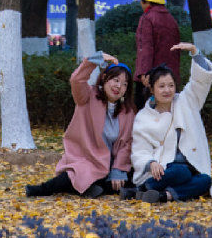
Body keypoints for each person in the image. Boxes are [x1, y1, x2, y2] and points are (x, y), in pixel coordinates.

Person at [25, 53, 135, 198]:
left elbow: (126, 145)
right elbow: (77, 80)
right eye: (116, 80)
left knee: (132, 177)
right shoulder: (88, 96)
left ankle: (90, 188)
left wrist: (118, 169)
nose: (119, 86)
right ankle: (41, 189)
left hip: (110, 164)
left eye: (125, 84)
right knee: (74, 175)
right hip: (86, 159)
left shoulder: (128, 112)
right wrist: (95, 59)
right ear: (104, 78)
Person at [129, 41, 212, 203]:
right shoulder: (143, 116)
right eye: (161, 86)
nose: (167, 90)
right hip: (162, 170)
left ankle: (163, 195)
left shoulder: (186, 101)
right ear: (152, 89)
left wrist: (195, 52)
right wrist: (151, 163)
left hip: (189, 166)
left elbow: (200, 82)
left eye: (171, 85)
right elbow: (139, 150)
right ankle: (145, 186)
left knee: (205, 180)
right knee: (180, 172)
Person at [134, 0, 181, 109]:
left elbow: (146, 48)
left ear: (146, 1)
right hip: (170, 79)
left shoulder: (147, 18)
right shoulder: (171, 20)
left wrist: (144, 73)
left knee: (145, 115)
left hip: (151, 78)